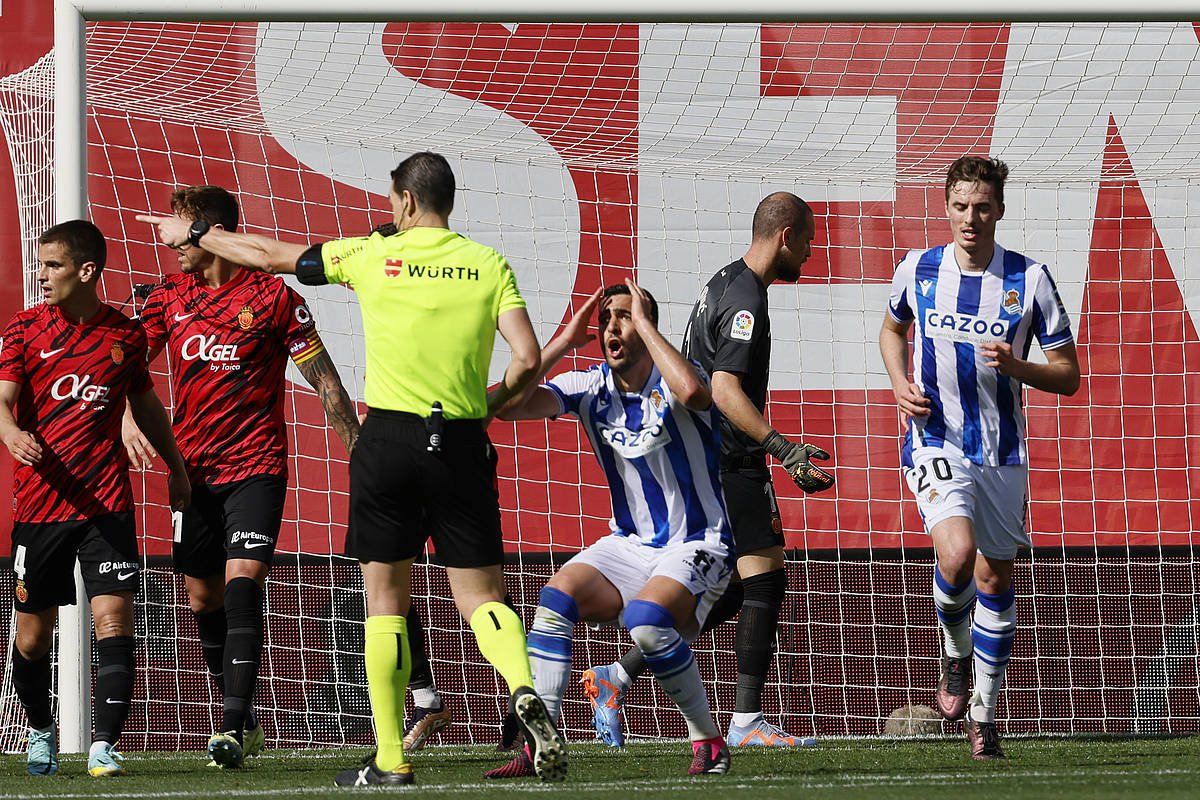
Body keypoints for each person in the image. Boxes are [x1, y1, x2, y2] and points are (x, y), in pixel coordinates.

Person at [137, 151, 564, 786]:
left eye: (393, 201)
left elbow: (272, 256)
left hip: (387, 439)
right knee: (481, 598)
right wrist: (489, 404)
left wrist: (200, 232)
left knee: (385, 603)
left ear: (408, 202)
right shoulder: (487, 263)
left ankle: (390, 759)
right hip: (462, 438)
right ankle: (524, 688)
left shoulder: (369, 255)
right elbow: (528, 358)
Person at [585, 192, 835, 748]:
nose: (812, 254)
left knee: (733, 589)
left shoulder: (723, 280)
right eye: (810, 240)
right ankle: (744, 722)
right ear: (786, 235)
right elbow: (723, 388)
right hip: (730, 458)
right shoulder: (747, 300)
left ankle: (616, 676)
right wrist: (782, 447)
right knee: (765, 583)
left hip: (713, 457)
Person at [122, 185, 359, 768]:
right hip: (192, 470)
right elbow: (124, 364)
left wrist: (359, 452)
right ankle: (246, 719)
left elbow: (325, 381)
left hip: (257, 465)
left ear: (212, 232)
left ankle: (229, 725)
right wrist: (128, 415)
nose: (170, 241)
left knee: (242, 581)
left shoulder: (274, 298)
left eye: (179, 228)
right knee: (202, 598)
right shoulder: (166, 299)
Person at [488, 281, 734, 777]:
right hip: (630, 543)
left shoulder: (675, 377)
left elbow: (694, 393)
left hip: (700, 541)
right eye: (606, 321)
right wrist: (562, 342)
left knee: (645, 622)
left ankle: (709, 743)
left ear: (646, 324)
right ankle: (543, 743)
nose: (612, 328)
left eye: (624, 316)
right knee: (555, 600)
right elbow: (500, 406)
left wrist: (646, 324)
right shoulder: (589, 387)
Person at [878, 156, 1080, 760]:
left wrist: (1017, 367)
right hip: (935, 438)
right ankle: (954, 650)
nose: (971, 217)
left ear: (999, 208)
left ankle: (985, 716)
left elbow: (1069, 376)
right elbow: (892, 330)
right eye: (961, 206)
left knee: (994, 576)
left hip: (1002, 451)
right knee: (957, 551)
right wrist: (896, 383)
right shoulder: (917, 269)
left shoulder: (1030, 280)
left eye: (983, 206)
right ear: (945, 207)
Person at [0, 220, 190, 777]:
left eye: (52, 265)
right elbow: (3, 400)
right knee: (33, 637)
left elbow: (147, 407)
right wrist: (10, 433)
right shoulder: (24, 329)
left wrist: (176, 468)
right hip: (40, 509)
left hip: (106, 506)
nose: (41, 275)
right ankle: (40, 730)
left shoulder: (126, 338)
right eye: (40, 264)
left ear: (87, 271)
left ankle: (105, 744)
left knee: (114, 619)